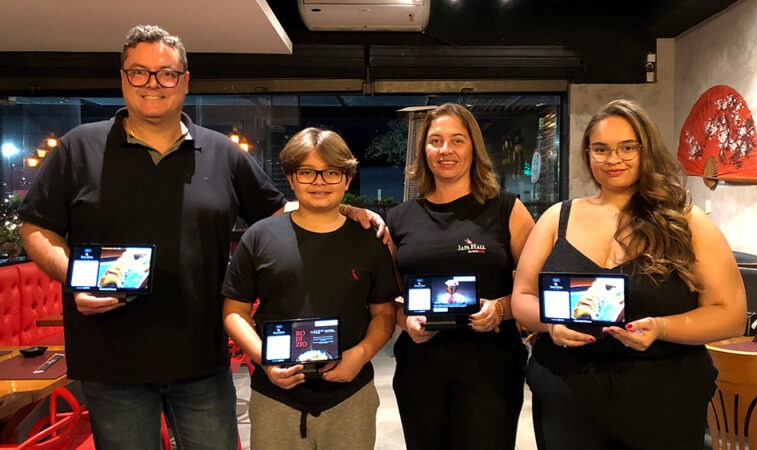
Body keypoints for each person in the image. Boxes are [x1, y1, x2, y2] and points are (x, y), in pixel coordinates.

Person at [18, 25, 383, 450]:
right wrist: (75, 277)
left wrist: (344, 210)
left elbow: (279, 212)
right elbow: (36, 227)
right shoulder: (78, 147)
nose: (153, 83)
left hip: (201, 359)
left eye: (166, 73)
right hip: (111, 360)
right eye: (139, 72)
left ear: (185, 80)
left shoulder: (223, 152)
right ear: (123, 77)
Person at [511, 99, 746, 450]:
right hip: (567, 397)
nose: (613, 159)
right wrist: (551, 326)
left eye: (627, 147)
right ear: (588, 154)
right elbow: (523, 297)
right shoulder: (556, 218)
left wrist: (662, 327)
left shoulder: (687, 221)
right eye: (601, 149)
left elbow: (731, 315)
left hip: (663, 399)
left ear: (646, 150)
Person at [221, 127, 397, 450]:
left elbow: (384, 314)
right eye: (307, 172)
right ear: (291, 178)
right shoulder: (259, 237)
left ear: (347, 179)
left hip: (350, 397)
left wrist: (360, 355)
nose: (319, 182)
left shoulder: (369, 241)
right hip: (275, 399)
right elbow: (234, 312)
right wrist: (264, 360)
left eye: (331, 172)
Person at [387, 103, 535, 449]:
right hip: (420, 369)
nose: (446, 150)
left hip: (491, 368)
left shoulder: (507, 209)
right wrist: (405, 320)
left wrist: (500, 309)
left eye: (457, 140)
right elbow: (388, 296)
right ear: (424, 151)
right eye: (435, 141)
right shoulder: (399, 218)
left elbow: (536, 288)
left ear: (473, 148)